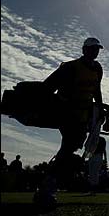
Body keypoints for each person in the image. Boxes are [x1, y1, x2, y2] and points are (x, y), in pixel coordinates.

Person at [34, 37, 104, 205]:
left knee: (70, 149)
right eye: (91, 48)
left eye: (97, 49)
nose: (94, 52)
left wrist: (99, 110)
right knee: (69, 147)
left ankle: (48, 183)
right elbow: (48, 86)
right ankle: (46, 188)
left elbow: (97, 90)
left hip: (82, 116)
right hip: (67, 114)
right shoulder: (70, 67)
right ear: (84, 49)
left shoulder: (97, 69)